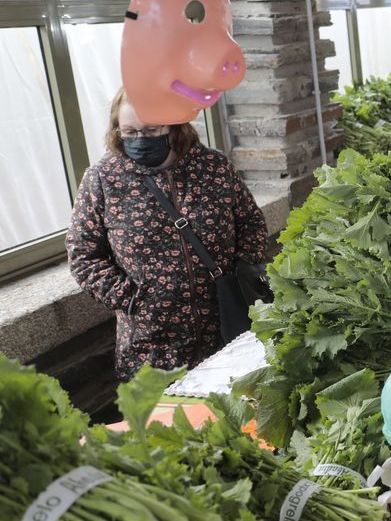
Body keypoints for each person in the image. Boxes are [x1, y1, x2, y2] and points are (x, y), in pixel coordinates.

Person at [67, 89, 268, 380]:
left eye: (151, 129)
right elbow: (83, 255)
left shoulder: (213, 167)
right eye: (130, 131)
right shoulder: (102, 179)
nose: (140, 139)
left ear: (173, 125)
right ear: (117, 131)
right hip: (151, 346)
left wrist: (241, 271)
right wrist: (133, 299)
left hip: (225, 329)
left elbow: (250, 222)